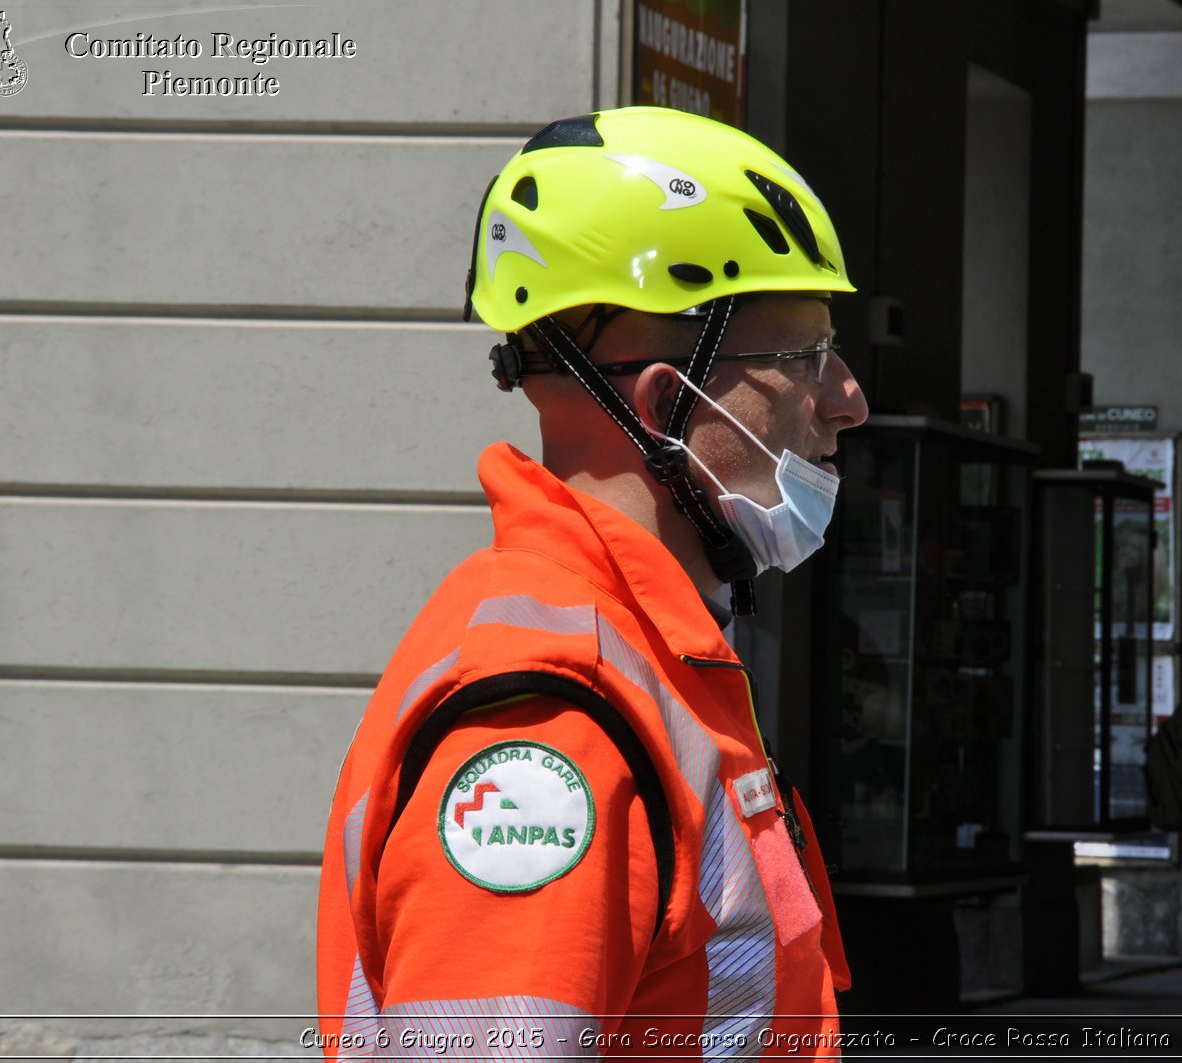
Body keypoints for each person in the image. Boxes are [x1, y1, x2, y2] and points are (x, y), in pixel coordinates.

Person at [315, 107, 869, 1057]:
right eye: (804, 358)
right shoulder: (548, 721)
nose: (848, 398)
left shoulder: (653, 663)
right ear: (663, 401)